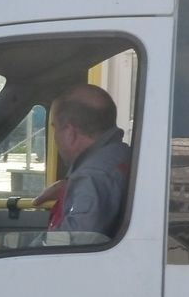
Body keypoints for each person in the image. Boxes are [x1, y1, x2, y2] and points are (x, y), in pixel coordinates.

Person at [32, 83, 131, 237]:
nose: (55, 137)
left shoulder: (93, 176)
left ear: (70, 132)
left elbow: (71, 247)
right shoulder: (121, 155)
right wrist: (70, 186)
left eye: (55, 128)